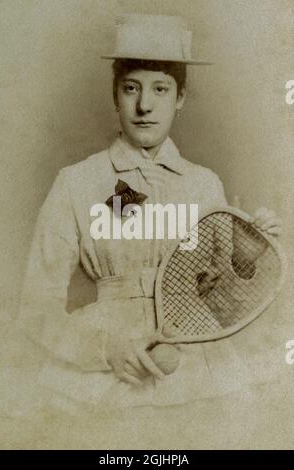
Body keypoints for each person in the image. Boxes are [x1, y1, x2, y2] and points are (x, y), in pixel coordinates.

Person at [19, 14, 282, 409]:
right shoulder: (76, 182)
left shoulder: (205, 185)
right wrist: (106, 350)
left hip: (197, 365)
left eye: (161, 89)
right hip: (103, 373)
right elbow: (35, 309)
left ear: (181, 98)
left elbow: (225, 305)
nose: (144, 105)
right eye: (130, 88)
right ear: (115, 96)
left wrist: (248, 258)